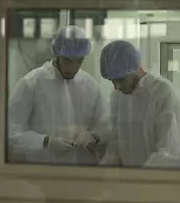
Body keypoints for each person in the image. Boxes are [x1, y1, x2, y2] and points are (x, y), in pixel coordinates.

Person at [7, 25, 109, 165]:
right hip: (42, 171)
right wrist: (45, 141)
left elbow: (106, 125)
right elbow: (11, 131)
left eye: (78, 61)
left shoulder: (90, 86)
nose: (72, 68)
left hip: (82, 171)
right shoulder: (32, 84)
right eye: (68, 60)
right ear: (57, 54)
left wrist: (94, 137)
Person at [99, 40, 180, 169]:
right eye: (112, 81)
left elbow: (170, 153)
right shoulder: (118, 96)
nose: (116, 86)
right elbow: (117, 143)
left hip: (163, 183)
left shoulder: (164, 94)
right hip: (133, 182)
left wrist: (139, 180)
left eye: (120, 79)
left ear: (136, 68)